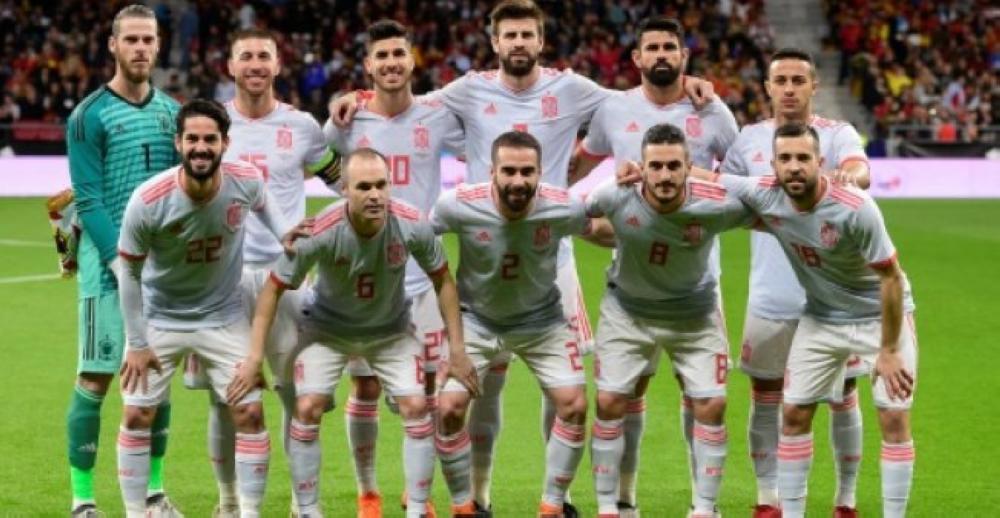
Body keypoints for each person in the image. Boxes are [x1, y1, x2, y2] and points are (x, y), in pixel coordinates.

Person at [328, 4, 713, 513]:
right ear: (495, 42)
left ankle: (558, 498)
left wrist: (685, 84)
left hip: (553, 254)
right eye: (509, 35)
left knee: (564, 392)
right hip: (484, 255)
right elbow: (403, 99)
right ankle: (477, 497)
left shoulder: (570, 88)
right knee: (482, 387)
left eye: (526, 34)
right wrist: (354, 96)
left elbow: (633, 103)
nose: (518, 43)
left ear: (540, 40)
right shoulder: (469, 89)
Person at [245, 148, 479, 518]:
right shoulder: (320, 230)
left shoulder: (411, 223)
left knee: (417, 406)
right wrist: (254, 357)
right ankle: (308, 511)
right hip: (326, 330)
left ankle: (417, 510)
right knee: (306, 407)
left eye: (381, 185)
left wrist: (458, 349)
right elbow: (273, 289)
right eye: (364, 187)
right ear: (345, 190)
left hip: (391, 331)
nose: (375, 195)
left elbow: (444, 282)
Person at [569, 18, 738, 516]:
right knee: (625, 393)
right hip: (632, 267)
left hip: (697, 277)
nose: (661, 54)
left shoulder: (713, 111)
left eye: (670, 47)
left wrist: (693, 176)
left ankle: (703, 504)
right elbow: (578, 164)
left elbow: (744, 177)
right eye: (652, 47)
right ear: (637, 58)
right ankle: (622, 499)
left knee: (701, 395)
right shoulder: (614, 109)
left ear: (683, 55)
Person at [180, 28, 342, 518]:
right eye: (246, 56)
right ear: (230, 66)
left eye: (263, 56)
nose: (255, 64)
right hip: (222, 280)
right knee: (224, 399)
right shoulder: (210, 126)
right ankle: (229, 501)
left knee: (298, 395)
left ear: (277, 64)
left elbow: (342, 181)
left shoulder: (302, 126)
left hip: (285, 276)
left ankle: (302, 503)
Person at [717, 122, 917, 517]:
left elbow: (891, 278)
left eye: (803, 158)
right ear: (772, 165)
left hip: (879, 315)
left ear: (819, 162)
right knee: (793, 413)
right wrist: (639, 171)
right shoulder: (765, 193)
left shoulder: (855, 206)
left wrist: (890, 350)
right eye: (785, 158)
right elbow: (707, 179)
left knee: (893, 416)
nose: (794, 166)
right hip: (822, 317)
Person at [114, 99, 294, 518]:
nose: (200, 147)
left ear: (225, 143)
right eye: (192, 139)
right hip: (160, 318)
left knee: (249, 411)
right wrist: (137, 343)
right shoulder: (149, 199)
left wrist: (289, 238)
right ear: (178, 143)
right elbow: (129, 273)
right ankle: (135, 514)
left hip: (223, 316)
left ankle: (247, 513)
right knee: (137, 414)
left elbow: (276, 219)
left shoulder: (245, 181)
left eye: (209, 139)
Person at [719, 48, 870, 518]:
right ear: (767, 87)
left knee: (843, 395)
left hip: (832, 297)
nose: (788, 88)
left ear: (813, 86)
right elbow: (725, 195)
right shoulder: (748, 139)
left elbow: (860, 169)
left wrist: (850, 177)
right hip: (771, 294)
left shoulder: (837, 134)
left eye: (797, 80)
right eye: (780, 80)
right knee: (765, 395)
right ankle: (768, 497)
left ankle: (845, 498)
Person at [322, 19, 464, 516]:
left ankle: (417, 493)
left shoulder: (437, 115)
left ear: (412, 60)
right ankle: (368, 491)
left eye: (398, 54)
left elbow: (481, 143)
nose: (391, 63)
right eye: (381, 56)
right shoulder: (347, 120)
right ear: (368, 65)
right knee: (364, 386)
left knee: (425, 389)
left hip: (422, 276)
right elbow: (320, 162)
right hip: (366, 278)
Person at [431, 131, 612, 518]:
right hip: (476, 321)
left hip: (542, 322)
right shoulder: (457, 205)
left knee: (575, 404)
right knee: (448, 409)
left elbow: (602, 230)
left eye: (527, 172)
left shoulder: (562, 206)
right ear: (492, 172)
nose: (518, 180)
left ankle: (552, 506)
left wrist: (654, 218)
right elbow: (416, 238)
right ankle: (464, 507)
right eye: (509, 171)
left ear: (540, 173)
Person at [585, 124, 753, 518]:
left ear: (689, 167)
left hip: (694, 314)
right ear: (640, 167)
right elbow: (578, 217)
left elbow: (770, 208)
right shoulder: (613, 194)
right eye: (656, 166)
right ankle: (611, 506)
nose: (664, 175)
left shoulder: (716, 204)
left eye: (674, 166)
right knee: (609, 401)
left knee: (711, 403)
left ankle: (705, 508)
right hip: (627, 312)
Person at [65, 5, 181, 516]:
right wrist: (120, 262)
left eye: (147, 39)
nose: (139, 48)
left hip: (161, 270)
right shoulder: (88, 115)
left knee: (157, 379)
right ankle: (83, 500)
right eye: (130, 39)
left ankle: (153, 494)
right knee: (95, 377)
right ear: (113, 45)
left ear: (158, 45)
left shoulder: (173, 113)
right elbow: (88, 199)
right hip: (107, 269)